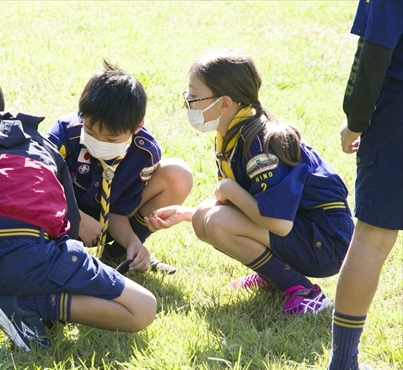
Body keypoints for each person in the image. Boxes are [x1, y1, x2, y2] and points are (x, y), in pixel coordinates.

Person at [0, 65, 157, 351]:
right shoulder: (44, 146)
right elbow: (69, 226)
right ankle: (29, 303)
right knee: (143, 307)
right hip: (38, 261)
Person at [145, 50, 354, 316]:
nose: (188, 102)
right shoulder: (234, 133)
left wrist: (228, 189)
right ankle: (275, 274)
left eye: (194, 95)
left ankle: (306, 293)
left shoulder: (261, 144)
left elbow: (278, 222)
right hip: (304, 233)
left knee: (218, 221)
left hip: (326, 244)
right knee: (202, 218)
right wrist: (188, 213)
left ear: (224, 103)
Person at [48, 61, 193, 275]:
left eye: (111, 138)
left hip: (108, 221)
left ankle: (120, 253)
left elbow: (118, 209)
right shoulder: (65, 133)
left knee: (178, 175)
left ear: (137, 127)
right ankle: (56, 251)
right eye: (90, 130)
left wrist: (133, 242)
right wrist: (74, 217)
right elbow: (38, 184)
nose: (98, 140)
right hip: (60, 214)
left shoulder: (144, 153)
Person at [325, 0, 403, 370]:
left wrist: (355, 121)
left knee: (372, 238)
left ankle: (342, 367)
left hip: (396, 113)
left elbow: (375, 50)